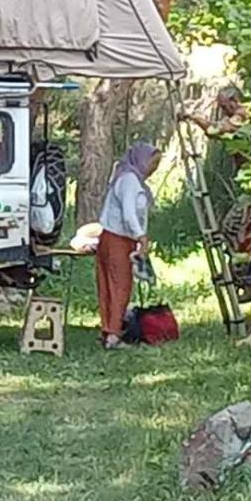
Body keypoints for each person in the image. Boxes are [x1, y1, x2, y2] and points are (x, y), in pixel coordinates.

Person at [183, 86, 251, 346]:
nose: (222, 110)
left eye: (224, 105)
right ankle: (242, 278)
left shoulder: (244, 115)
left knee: (245, 240)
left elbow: (215, 131)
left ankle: (248, 282)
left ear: (235, 100)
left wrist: (191, 115)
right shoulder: (245, 114)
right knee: (229, 230)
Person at [95, 143, 161, 350]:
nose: (153, 169)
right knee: (120, 286)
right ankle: (113, 335)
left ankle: (109, 329)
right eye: (152, 163)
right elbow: (129, 213)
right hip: (118, 239)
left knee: (111, 285)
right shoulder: (130, 181)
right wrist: (140, 236)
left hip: (115, 237)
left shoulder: (130, 178)